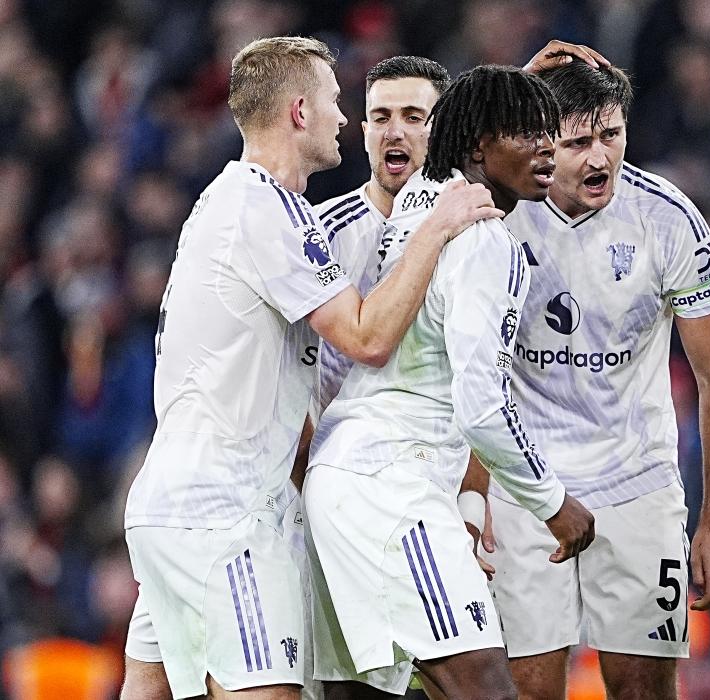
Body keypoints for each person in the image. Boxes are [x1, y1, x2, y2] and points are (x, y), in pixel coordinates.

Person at [120, 36, 497, 700]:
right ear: (299, 111)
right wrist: (439, 227)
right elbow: (367, 337)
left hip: (177, 504)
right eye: (334, 101)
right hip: (227, 514)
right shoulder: (266, 208)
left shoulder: (228, 199)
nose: (343, 118)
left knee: (148, 689)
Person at [303, 65, 596, 700]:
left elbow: (461, 126)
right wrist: (554, 503)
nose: (547, 148)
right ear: (477, 145)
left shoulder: (418, 204)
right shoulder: (485, 240)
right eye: (526, 132)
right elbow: (482, 406)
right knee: (489, 690)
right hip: (393, 484)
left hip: (348, 476)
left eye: (549, 132)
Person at [466, 57, 710, 700]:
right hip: (525, 484)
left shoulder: (669, 220)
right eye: (577, 142)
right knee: (528, 691)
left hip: (637, 482)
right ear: (539, 142)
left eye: (611, 135)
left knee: (643, 690)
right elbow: (470, 378)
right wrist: (473, 503)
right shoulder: (495, 212)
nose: (600, 158)